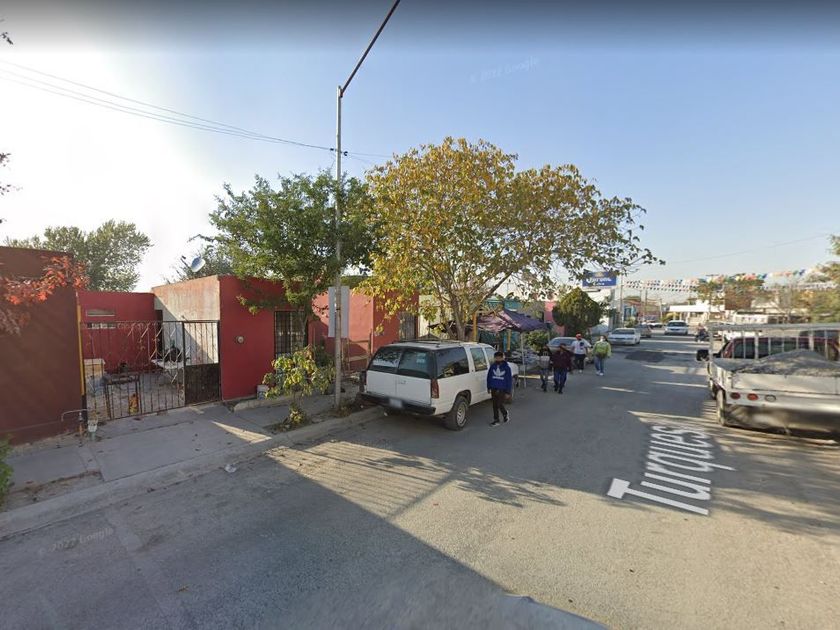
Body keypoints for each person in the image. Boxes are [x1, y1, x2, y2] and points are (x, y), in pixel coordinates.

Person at [486, 351, 513, 426]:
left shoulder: (507, 368)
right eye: (496, 358)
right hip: (494, 387)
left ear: (502, 358)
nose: (497, 359)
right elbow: (489, 377)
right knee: (494, 404)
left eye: (499, 358)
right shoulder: (493, 366)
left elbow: (509, 380)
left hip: (502, 389)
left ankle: (505, 413)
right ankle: (496, 420)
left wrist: (508, 392)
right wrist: (488, 386)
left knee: (499, 404)